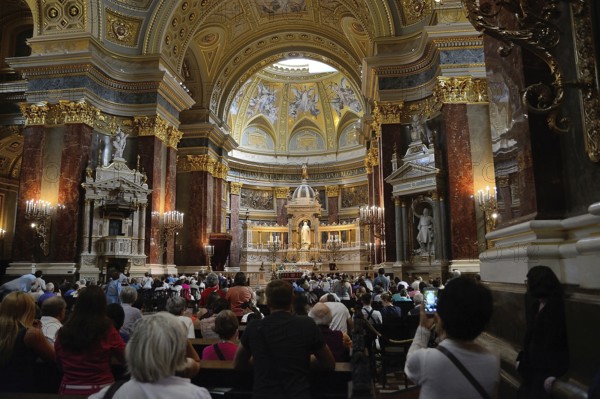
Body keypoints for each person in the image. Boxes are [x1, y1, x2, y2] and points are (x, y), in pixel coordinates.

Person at [234, 279, 335, 398]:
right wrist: (304, 359)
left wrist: (262, 359)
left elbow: (238, 363)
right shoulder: (307, 324)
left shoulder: (254, 327)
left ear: (268, 302)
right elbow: (329, 363)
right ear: (292, 300)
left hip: (264, 394)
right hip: (297, 393)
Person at [405, 277, 499, 398]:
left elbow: (410, 366)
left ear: (442, 315)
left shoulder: (427, 360)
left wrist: (423, 327)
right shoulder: (492, 360)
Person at [89, 312, 208, 399]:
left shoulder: (108, 394)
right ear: (177, 352)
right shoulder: (197, 395)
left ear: (134, 348)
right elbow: (195, 361)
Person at [55, 285, 126, 395]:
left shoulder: (64, 330)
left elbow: (59, 363)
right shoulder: (107, 330)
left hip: (69, 389)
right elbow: (125, 357)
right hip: (100, 390)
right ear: (103, 305)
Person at [516, 265, 569, 399]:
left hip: (546, 372)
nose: (526, 285)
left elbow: (556, 342)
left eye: (528, 282)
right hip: (532, 370)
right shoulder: (535, 305)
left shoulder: (556, 308)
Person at [0, 291, 56, 392]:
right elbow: (55, 358)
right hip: (20, 390)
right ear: (29, 309)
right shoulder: (31, 333)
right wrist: (39, 330)